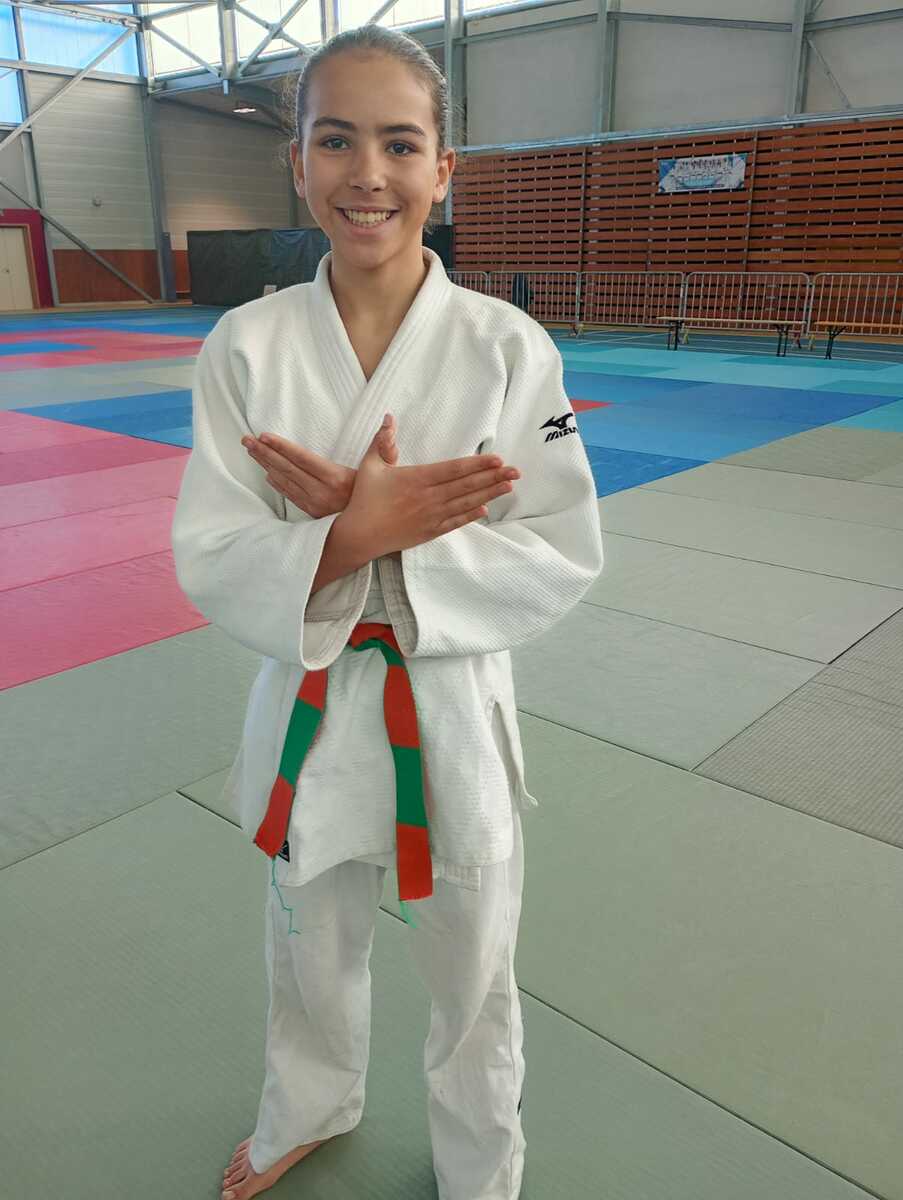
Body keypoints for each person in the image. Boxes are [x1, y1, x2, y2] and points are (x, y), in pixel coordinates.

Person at [170, 25, 604, 1200]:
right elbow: (211, 545)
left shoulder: (507, 345)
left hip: (453, 700)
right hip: (314, 700)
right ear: (297, 163)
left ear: (444, 168)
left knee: (476, 964)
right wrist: (357, 533)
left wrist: (384, 539)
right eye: (336, 140)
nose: (369, 173)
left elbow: (561, 545)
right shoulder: (246, 345)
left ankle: (482, 1161)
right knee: (306, 944)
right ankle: (309, 1105)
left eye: (401, 144)